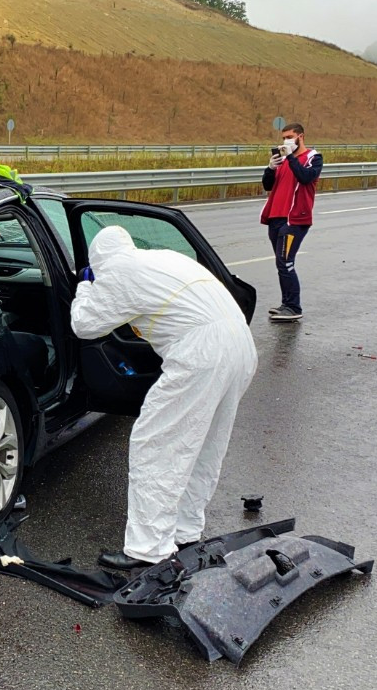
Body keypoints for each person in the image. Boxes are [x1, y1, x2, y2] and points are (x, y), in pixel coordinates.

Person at [70, 226, 258, 570]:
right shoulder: (162, 258)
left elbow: (84, 324)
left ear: (99, 260)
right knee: (204, 445)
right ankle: (186, 531)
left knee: (156, 445)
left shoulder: (117, 272)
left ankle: (146, 550)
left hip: (202, 352)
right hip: (241, 343)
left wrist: (85, 284)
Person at [260, 123, 323, 323]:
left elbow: (306, 178)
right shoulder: (284, 160)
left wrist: (290, 157)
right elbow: (268, 185)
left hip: (295, 220)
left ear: (300, 137)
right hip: (275, 218)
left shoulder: (313, 158)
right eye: (283, 138)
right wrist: (270, 168)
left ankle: (294, 306)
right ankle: (286, 304)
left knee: (285, 262)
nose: (285, 141)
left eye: (289, 137)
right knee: (281, 263)